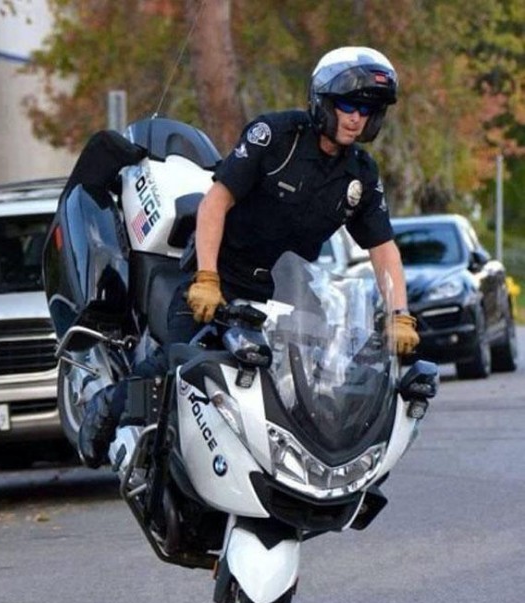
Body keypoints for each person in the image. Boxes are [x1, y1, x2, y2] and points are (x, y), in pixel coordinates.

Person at [79, 46, 420, 467]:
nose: (356, 118)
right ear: (322, 102)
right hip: (220, 276)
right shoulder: (275, 138)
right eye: (348, 105)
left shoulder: (361, 175)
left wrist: (399, 313)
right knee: (183, 362)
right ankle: (107, 408)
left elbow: (383, 250)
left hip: (284, 293)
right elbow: (215, 204)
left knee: (309, 387)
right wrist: (206, 277)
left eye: (367, 110)